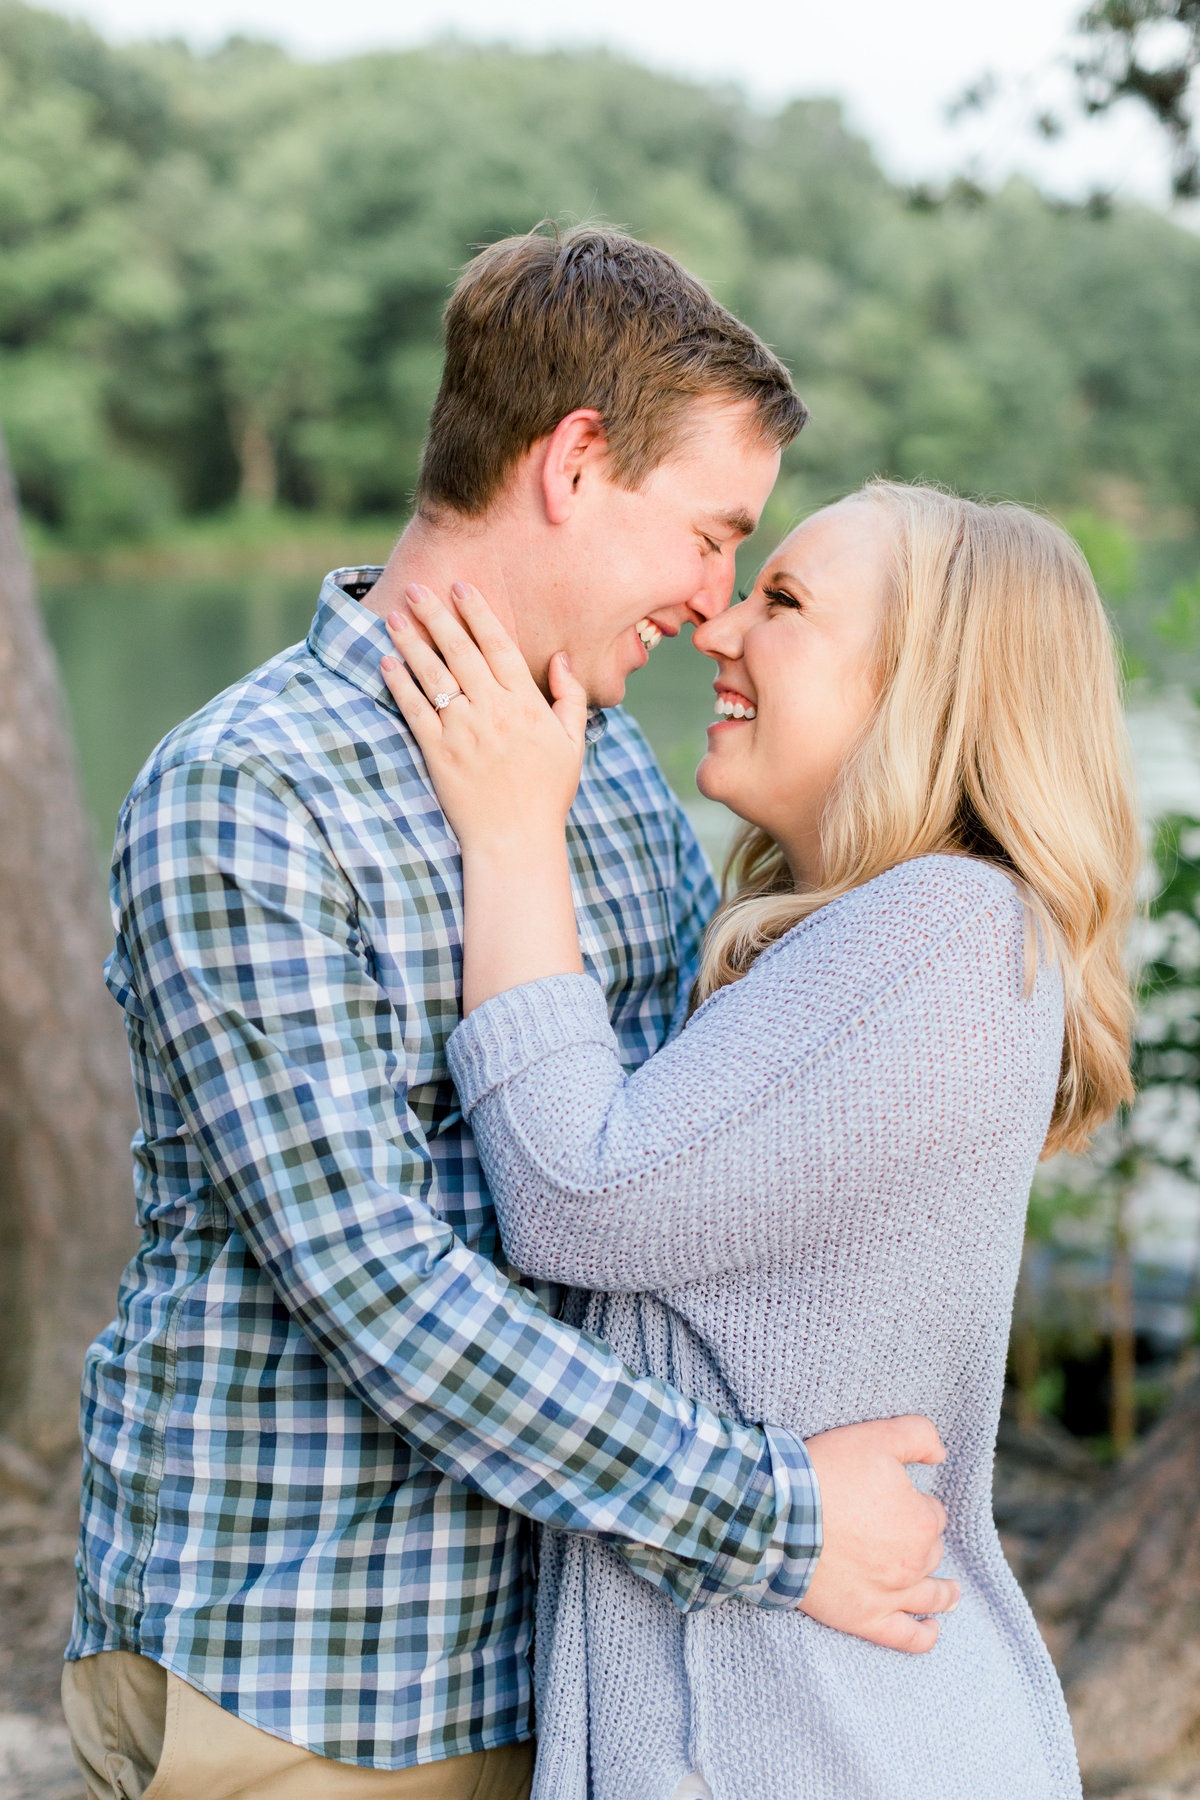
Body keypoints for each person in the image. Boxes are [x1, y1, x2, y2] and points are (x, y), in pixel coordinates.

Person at [63, 229, 955, 1800]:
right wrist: (780, 1518)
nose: (713, 598)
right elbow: (387, 1294)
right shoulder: (245, 794)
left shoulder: (599, 758)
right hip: (311, 1677)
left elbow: (675, 1154)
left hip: (581, 1654)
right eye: (704, 534)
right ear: (574, 462)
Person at [378, 478, 1140, 1800]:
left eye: (783, 602)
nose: (720, 629)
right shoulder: (878, 941)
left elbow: (580, 1192)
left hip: (814, 1741)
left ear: (926, 691)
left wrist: (510, 840)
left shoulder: (947, 930)